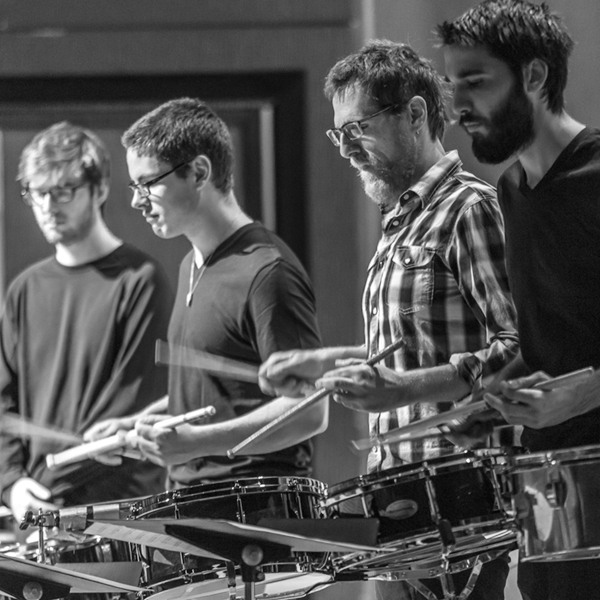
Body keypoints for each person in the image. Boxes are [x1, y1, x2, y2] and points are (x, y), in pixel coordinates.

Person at [259, 41, 518, 600]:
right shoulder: (399, 219)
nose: (347, 150)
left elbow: (517, 350)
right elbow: (411, 347)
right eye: (338, 135)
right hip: (395, 495)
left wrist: (401, 389)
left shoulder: (469, 209)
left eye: (358, 130)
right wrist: (322, 364)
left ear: (417, 114)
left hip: (460, 499)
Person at [438, 1, 600, 598]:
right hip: (549, 490)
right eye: (453, 84)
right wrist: (490, 400)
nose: (458, 106)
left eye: (475, 82)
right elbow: (549, 341)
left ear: (533, 78)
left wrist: (586, 390)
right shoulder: (511, 188)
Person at [86, 97, 326, 488]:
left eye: (147, 184)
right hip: (193, 510)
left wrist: (196, 443)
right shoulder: (190, 265)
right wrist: (139, 425)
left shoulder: (267, 272)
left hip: (253, 516)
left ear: (198, 172)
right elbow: (226, 394)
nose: (135, 201)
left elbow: (310, 412)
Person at [0, 122, 172, 525]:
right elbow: (4, 404)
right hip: (36, 510)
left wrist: (42, 488)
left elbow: (128, 410)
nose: (48, 205)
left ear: (99, 190)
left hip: (116, 517)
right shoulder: (24, 289)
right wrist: (14, 485)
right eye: (37, 192)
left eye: (63, 191)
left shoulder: (140, 280)